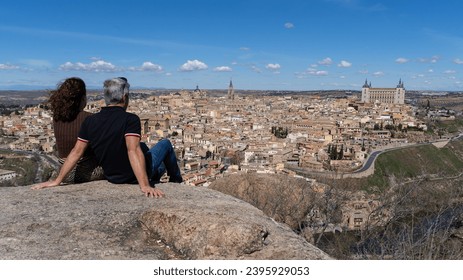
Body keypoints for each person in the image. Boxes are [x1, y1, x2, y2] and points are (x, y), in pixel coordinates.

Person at [33, 77, 182, 197]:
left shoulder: (90, 121)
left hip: (112, 176)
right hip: (131, 176)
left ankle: (161, 177)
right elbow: (133, 150)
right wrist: (144, 185)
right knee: (165, 144)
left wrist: (58, 180)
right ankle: (176, 182)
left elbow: (76, 152)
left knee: (144, 149)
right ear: (124, 97)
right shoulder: (130, 119)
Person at [48, 77, 103, 183]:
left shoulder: (57, 118)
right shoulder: (90, 118)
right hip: (87, 172)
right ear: (82, 98)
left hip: (63, 171)